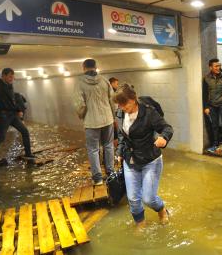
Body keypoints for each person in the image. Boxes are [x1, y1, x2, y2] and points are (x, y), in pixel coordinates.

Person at [114, 83, 173, 229]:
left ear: (133, 99)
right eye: (120, 105)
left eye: (125, 104)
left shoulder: (148, 112)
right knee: (133, 198)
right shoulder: (121, 112)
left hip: (150, 160)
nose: (123, 108)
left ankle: (162, 209)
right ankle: (140, 224)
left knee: (149, 198)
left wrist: (164, 138)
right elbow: (122, 135)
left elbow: (167, 128)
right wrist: (119, 152)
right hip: (130, 159)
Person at [73, 59, 115, 185]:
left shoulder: (79, 83)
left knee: (93, 149)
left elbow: (79, 104)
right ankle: (110, 172)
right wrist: (112, 115)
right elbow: (113, 100)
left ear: (83, 68)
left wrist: (82, 116)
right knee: (108, 146)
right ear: (96, 67)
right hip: (107, 119)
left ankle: (97, 179)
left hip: (91, 121)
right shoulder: (104, 80)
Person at [0, 58, 35, 162]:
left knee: (24, 131)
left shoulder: (10, 86)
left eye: (13, 76)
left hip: (12, 115)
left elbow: (12, 101)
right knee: (1, 137)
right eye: (10, 76)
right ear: (3, 76)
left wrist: (19, 110)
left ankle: (28, 153)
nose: (12, 78)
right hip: (3, 115)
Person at [202, 58, 222, 154]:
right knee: (214, 125)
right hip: (211, 105)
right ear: (210, 67)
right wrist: (206, 107)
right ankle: (215, 144)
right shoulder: (206, 78)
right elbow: (205, 94)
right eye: (216, 66)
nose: (218, 67)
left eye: (219, 65)